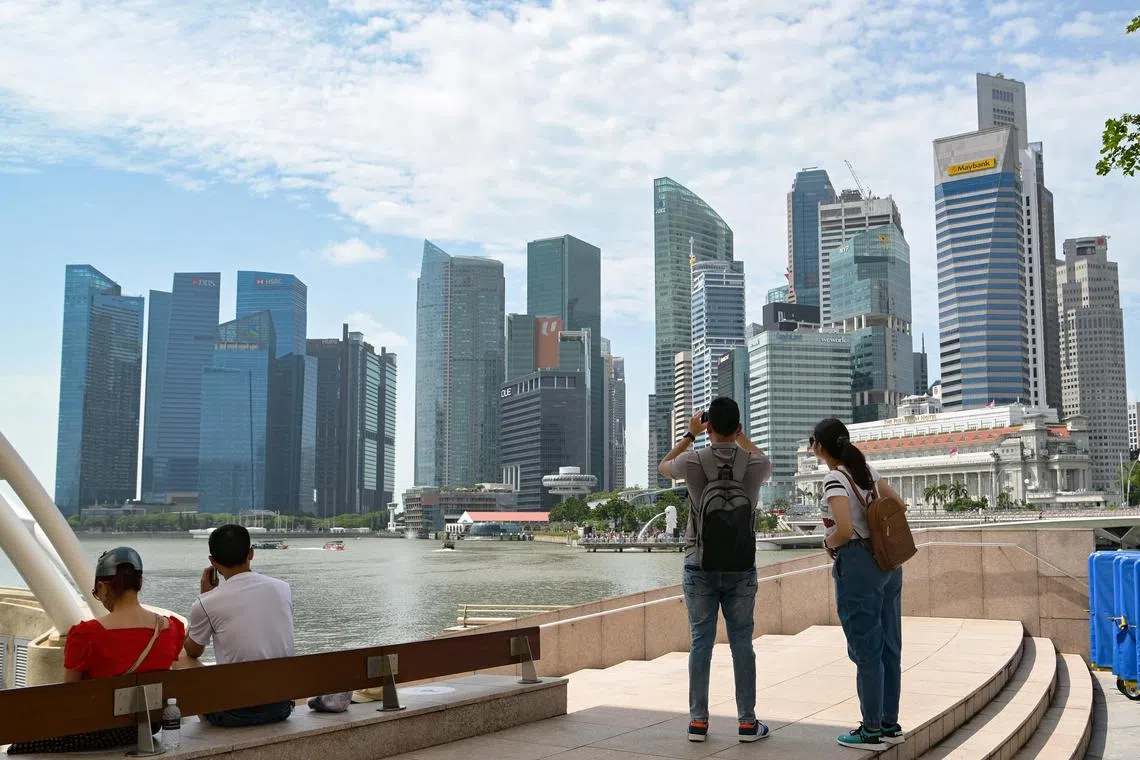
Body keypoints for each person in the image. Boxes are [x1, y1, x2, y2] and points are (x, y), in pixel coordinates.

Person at [658, 397, 772, 744]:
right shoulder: (754, 464)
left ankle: (698, 722)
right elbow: (766, 460)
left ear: (708, 427)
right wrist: (742, 439)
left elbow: (664, 466)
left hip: (699, 562)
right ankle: (747, 724)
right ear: (738, 428)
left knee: (700, 644)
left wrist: (691, 436)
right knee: (742, 643)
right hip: (740, 564)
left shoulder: (693, 460)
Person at [8, 548, 184, 754]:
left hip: (97, 730)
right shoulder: (171, 628)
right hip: (149, 726)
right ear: (140, 582)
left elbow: (70, 693)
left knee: (19, 745)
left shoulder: (86, 634)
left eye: (96, 593)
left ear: (102, 587)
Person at [811, 417, 904, 750]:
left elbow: (845, 529)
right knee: (890, 647)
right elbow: (899, 507)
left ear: (819, 446)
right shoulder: (869, 473)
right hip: (889, 564)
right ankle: (890, 724)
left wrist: (827, 542)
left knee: (866, 649)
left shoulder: (835, 479)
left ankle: (871, 730)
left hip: (859, 567)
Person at [184, 524, 295, 727]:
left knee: (182, 660)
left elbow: (193, 651)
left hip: (234, 712)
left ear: (213, 562)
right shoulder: (283, 589)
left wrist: (204, 595)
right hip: (281, 707)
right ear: (251, 553)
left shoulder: (207, 602)